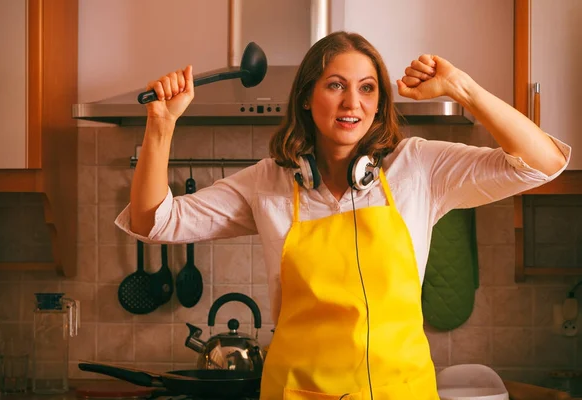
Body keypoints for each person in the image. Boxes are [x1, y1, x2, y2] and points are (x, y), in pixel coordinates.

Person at [116, 31, 569, 399]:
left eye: (367, 88)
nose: (353, 102)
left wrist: (462, 88)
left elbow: (542, 163)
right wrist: (161, 125)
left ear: (378, 103)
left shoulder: (419, 168)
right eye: (336, 85)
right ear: (307, 98)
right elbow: (153, 222)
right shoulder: (268, 183)